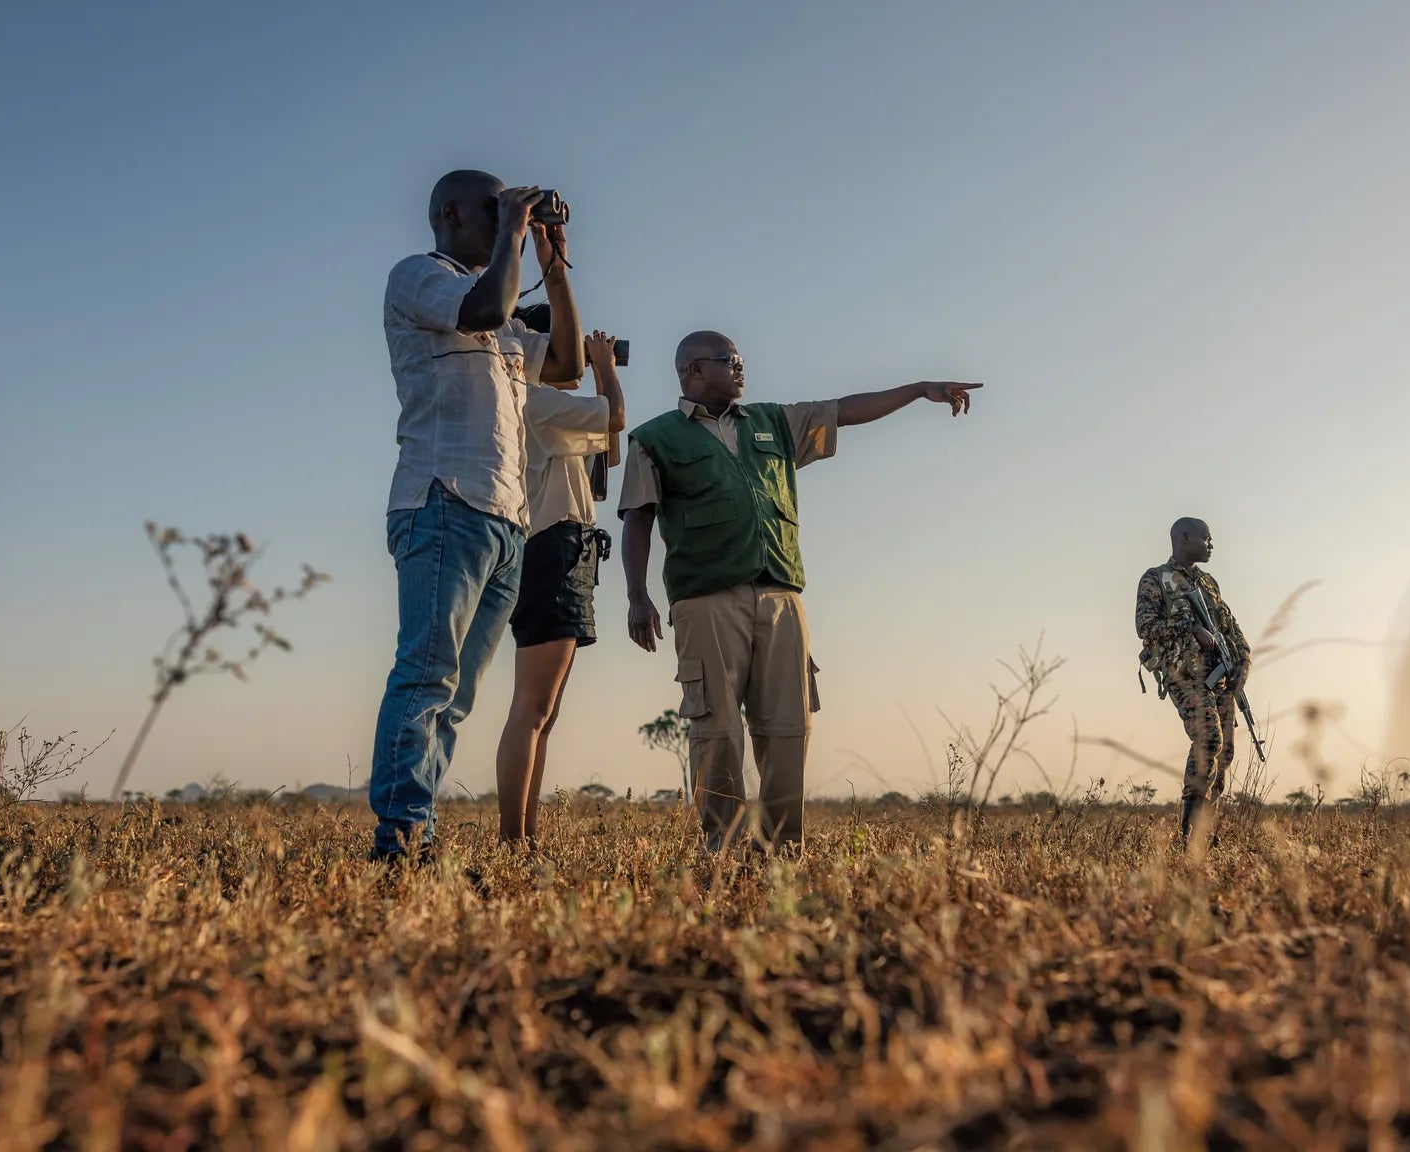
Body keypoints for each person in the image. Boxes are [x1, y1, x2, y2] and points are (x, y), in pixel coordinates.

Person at [620, 330, 981, 852]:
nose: (740, 366)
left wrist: (920, 389)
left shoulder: (774, 422)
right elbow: (638, 519)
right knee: (716, 729)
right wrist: (637, 595)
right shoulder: (655, 438)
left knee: (788, 728)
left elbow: (844, 411)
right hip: (706, 600)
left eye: (740, 358)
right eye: (728, 359)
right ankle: (724, 849)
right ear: (693, 370)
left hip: (782, 598)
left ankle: (783, 849)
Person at [371, 170, 582, 861]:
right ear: (452, 214)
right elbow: (484, 309)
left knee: (455, 697)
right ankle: (401, 843)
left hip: (504, 519)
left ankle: (417, 834)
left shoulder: (508, 314)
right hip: (443, 497)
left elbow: (570, 365)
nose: (504, 220)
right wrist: (515, 233)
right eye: (494, 208)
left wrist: (554, 266)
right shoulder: (420, 276)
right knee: (426, 676)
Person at [494, 328, 627, 843]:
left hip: (567, 549)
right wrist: (604, 366)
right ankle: (513, 840)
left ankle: (524, 837)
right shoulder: (534, 399)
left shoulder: (547, 408)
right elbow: (615, 417)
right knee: (532, 708)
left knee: (542, 714)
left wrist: (597, 374)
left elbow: (610, 453)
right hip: (551, 548)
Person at [1135, 517, 1252, 842]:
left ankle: (1204, 828)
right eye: (1206, 538)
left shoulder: (1209, 583)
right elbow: (1145, 626)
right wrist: (1189, 628)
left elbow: (1229, 626)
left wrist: (1244, 660)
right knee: (1209, 739)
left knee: (1225, 752)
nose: (1211, 545)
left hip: (1220, 677)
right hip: (1184, 673)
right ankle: (1188, 833)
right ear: (1184, 537)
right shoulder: (1156, 578)